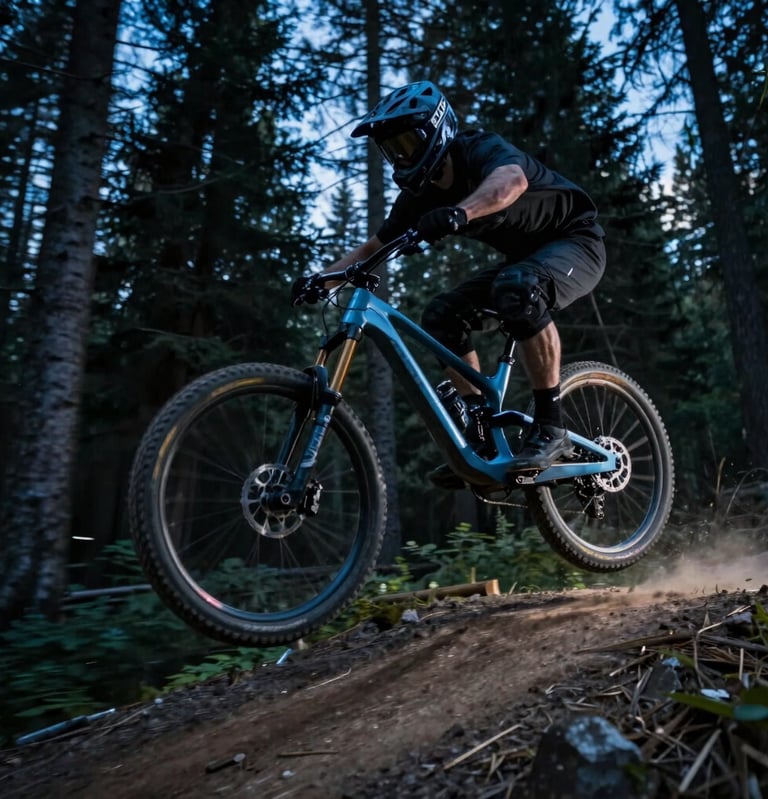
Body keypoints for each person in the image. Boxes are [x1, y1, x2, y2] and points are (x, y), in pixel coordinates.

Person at [296, 81, 606, 489]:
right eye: (392, 148)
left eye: (407, 142)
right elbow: (376, 245)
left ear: (436, 130)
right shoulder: (419, 194)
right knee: (442, 315)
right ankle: (480, 429)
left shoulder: (478, 149)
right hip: (525, 262)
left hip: (577, 241)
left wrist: (461, 212)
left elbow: (512, 181)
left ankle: (551, 427)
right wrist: (324, 278)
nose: (401, 155)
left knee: (518, 287)